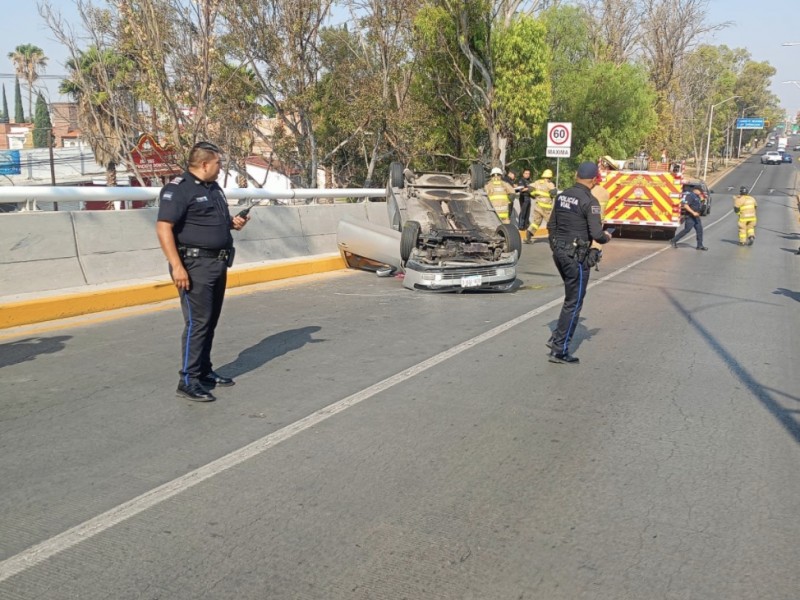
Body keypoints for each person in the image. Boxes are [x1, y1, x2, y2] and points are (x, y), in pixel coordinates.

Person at [156, 141, 250, 402]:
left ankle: (204, 371)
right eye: (218, 163)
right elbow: (163, 227)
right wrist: (177, 266)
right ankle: (187, 379)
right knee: (197, 323)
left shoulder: (213, 188)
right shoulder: (179, 189)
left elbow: (212, 223)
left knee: (209, 320)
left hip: (217, 264)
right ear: (205, 164)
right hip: (193, 266)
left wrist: (233, 224)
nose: (221, 168)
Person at [546, 162, 612, 364]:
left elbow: (551, 225)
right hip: (577, 257)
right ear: (594, 180)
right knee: (574, 302)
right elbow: (597, 234)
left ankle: (556, 337)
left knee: (570, 298)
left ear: (576, 175)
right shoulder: (590, 201)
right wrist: (607, 237)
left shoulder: (562, 196)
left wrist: (556, 247)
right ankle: (559, 350)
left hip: (560, 254)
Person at [670, 185, 707, 250]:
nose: (700, 192)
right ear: (696, 190)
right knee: (687, 229)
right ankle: (673, 240)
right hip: (690, 216)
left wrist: (702, 200)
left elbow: (699, 205)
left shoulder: (697, 196)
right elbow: (686, 205)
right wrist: (693, 212)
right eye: (700, 191)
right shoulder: (690, 195)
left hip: (696, 217)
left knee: (699, 230)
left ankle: (700, 245)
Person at [525, 169, 556, 243]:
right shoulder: (550, 184)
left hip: (538, 207)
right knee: (551, 223)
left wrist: (534, 194)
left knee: (536, 222)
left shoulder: (537, 182)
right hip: (546, 209)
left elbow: (529, 188)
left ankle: (528, 235)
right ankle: (553, 238)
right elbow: (553, 193)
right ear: (550, 177)